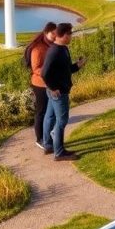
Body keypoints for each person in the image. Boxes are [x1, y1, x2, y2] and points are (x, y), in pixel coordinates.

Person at [41, 22, 85, 161]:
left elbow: (67, 70)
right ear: (64, 35)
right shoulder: (54, 51)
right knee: (62, 121)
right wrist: (53, 88)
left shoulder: (63, 49)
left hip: (57, 91)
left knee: (50, 117)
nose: (71, 36)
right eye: (71, 33)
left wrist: (78, 65)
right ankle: (59, 152)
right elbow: (44, 73)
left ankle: (48, 145)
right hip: (58, 93)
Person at [25, 22, 57, 150]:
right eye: (52, 33)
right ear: (46, 33)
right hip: (40, 84)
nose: (55, 35)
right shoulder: (38, 48)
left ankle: (48, 137)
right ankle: (39, 139)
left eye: (56, 33)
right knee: (41, 111)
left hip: (51, 83)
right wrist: (49, 72)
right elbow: (36, 68)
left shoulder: (52, 45)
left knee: (51, 112)